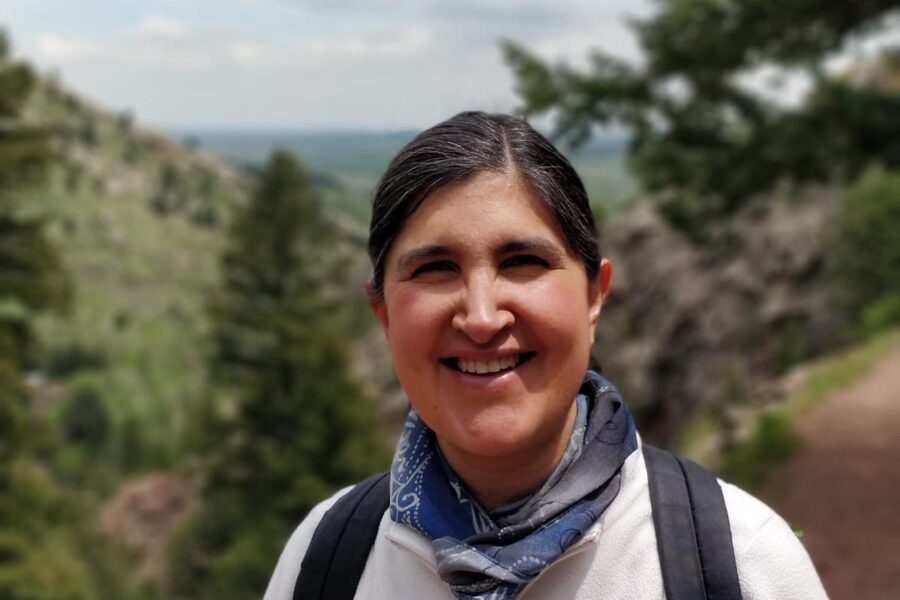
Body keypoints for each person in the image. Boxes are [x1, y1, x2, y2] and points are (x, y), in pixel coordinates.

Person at [264, 112, 827, 599]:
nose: (482, 317)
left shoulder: (735, 561)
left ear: (593, 295)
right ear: (382, 312)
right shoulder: (326, 558)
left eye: (523, 262)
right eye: (435, 269)